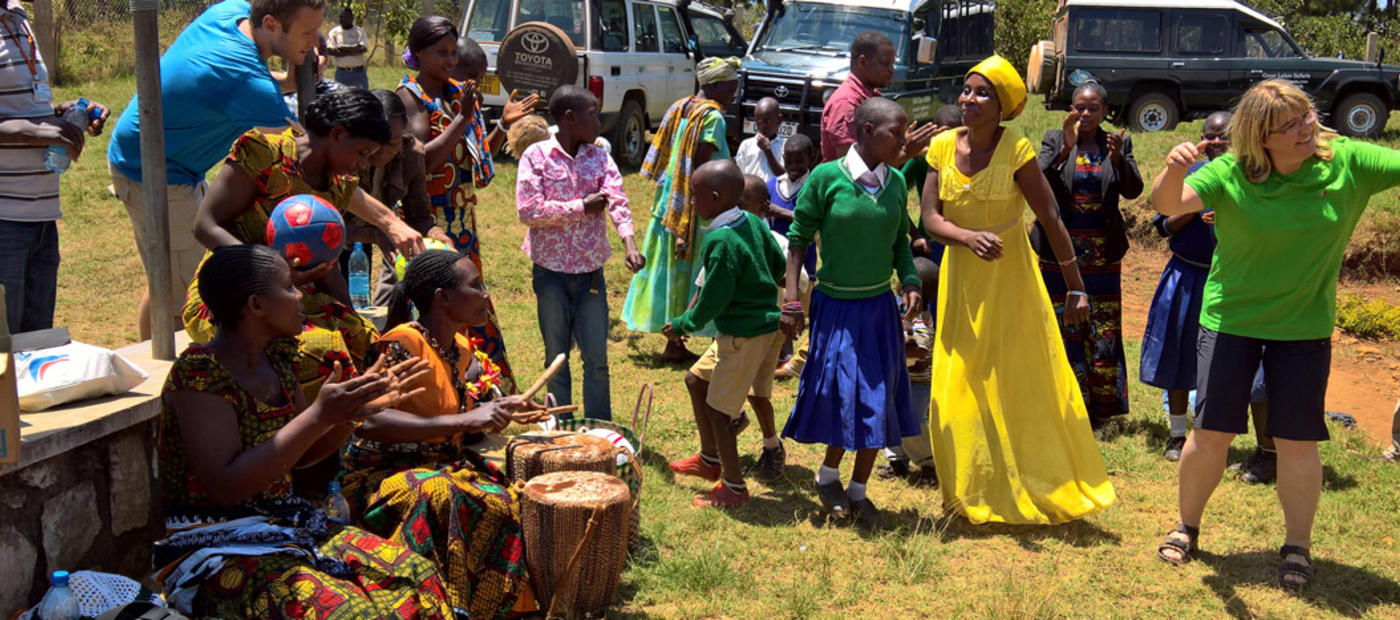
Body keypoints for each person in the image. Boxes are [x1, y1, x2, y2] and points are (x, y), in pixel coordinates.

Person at [1150, 79, 1400, 589]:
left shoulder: (1347, 161)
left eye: (1306, 115)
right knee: (1212, 433)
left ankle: (1297, 549)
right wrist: (1174, 168)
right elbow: (1170, 203)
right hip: (1231, 321)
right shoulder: (1233, 171)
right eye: (1290, 125)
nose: (1306, 127)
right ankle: (1187, 527)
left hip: (1302, 328)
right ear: (1262, 137)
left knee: (1296, 440)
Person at [153, 244, 453, 618]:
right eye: (289, 287)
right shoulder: (199, 375)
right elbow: (226, 486)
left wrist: (347, 416)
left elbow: (300, 456)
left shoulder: (278, 357)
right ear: (256, 305)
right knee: (349, 612)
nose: (300, 296)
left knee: (416, 576)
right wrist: (318, 416)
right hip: (215, 543)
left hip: (283, 523)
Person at [108, 0, 420, 341]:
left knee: (168, 274)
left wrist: (291, 74)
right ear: (271, 23)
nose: (318, 41)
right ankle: (178, 378)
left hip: (175, 158)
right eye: (306, 32)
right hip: (153, 167)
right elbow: (307, 156)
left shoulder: (234, 11)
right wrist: (389, 222)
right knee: (177, 292)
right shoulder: (257, 110)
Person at [920, 56, 1115, 525]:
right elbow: (931, 218)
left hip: (1011, 280)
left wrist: (1076, 290)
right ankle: (967, 487)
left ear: (1004, 105)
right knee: (959, 382)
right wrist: (967, 238)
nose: (969, 99)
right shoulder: (942, 147)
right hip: (962, 280)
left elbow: (1050, 218)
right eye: (966, 90)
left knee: (1016, 379)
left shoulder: (1018, 148)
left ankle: (1033, 476)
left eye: (982, 93)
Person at [341, 249, 543, 619]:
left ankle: (493, 608)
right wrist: (465, 422)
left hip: (438, 465)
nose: (486, 296)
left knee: (503, 498)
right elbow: (369, 421)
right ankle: (425, 607)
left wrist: (503, 409)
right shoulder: (402, 343)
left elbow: (456, 415)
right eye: (476, 286)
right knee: (437, 493)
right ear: (443, 297)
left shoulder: (461, 350)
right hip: (379, 474)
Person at [780, 97, 924, 531]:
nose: (903, 141)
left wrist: (911, 281)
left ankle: (858, 490)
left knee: (878, 398)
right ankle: (827, 475)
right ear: (866, 132)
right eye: (895, 133)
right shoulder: (826, 178)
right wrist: (791, 299)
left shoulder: (897, 182)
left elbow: (900, 240)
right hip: (837, 308)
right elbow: (798, 242)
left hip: (880, 308)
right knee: (845, 396)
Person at [184, 88, 397, 370]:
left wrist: (352, 318)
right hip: (233, 297)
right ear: (337, 134)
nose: (362, 165)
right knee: (315, 350)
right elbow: (205, 225)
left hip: (293, 298)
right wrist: (273, 272)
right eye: (361, 153)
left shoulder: (338, 186)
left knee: (370, 345)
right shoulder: (264, 155)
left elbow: (326, 264)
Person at [398, 18, 537, 393]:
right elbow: (421, 161)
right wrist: (462, 117)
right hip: (428, 222)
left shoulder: (459, 91)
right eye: (439, 52)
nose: (448, 59)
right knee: (440, 309)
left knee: (473, 304)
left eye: (452, 51)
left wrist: (502, 127)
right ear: (419, 53)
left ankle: (485, 389)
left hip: (462, 221)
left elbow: (472, 160)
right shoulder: (409, 96)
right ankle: (442, 391)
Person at [1139, 111, 1273, 470]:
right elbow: (1164, 226)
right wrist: (1194, 212)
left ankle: (1261, 449)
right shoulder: (1191, 176)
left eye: (1224, 135)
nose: (1216, 142)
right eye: (1210, 135)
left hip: (1237, 281)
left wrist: (1229, 215)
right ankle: (1178, 434)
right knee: (1181, 354)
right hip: (1187, 274)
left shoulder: (1255, 176)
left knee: (1249, 364)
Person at [515, 85, 644, 420]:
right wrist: (581, 207)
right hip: (550, 274)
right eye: (593, 114)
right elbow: (528, 211)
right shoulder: (536, 157)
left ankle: (599, 429)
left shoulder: (599, 155)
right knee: (556, 356)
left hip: (589, 275)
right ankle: (561, 427)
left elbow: (617, 200)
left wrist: (629, 242)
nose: (598, 121)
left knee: (596, 358)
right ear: (570, 118)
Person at [666, 161, 787, 507]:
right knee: (696, 381)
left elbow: (713, 300)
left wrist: (682, 324)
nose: (692, 203)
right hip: (757, 328)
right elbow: (777, 266)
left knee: (721, 413)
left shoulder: (720, 240)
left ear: (716, 198)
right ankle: (709, 460)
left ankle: (734, 488)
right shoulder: (751, 220)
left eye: (695, 197)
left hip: (742, 335)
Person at [1036, 80, 1142, 430]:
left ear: (1104, 111)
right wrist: (1065, 150)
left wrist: (1117, 159)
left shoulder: (1116, 142)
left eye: (1093, 108)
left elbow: (1133, 190)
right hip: (1058, 253)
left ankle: (1101, 409)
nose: (1085, 114)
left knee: (1103, 329)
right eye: (1079, 107)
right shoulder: (1054, 138)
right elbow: (1035, 180)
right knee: (1063, 327)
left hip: (1103, 257)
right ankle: (1066, 403)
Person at [622, 57, 741, 363]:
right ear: (714, 85)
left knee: (672, 272)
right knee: (697, 273)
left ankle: (674, 343)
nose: (735, 91)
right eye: (731, 85)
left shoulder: (679, 107)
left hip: (669, 203)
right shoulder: (713, 118)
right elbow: (702, 166)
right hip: (695, 207)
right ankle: (685, 342)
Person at [0, 0, 108, 333]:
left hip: (41, 215)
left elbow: (23, 100)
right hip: (4, 217)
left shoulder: (17, 14)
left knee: (36, 344)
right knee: (4, 351)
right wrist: (33, 131)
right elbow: (24, 125)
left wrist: (62, 113)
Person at [353, 90, 454, 306]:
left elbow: (419, 216)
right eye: (376, 142)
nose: (381, 152)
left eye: (392, 143)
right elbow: (332, 222)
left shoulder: (411, 154)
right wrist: (377, 234)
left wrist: (438, 237)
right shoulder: (348, 154)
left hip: (387, 234)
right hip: (341, 243)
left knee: (392, 303)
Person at [818, 31, 934, 164]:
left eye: (892, 64)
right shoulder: (846, 103)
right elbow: (850, 167)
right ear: (862, 62)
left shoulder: (872, 96)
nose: (892, 70)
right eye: (885, 63)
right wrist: (906, 151)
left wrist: (899, 144)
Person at [877, 257, 940, 486]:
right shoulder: (900, 315)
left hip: (916, 384)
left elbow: (919, 354)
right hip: (897, 380)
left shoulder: (921, 322)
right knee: (890, 418)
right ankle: (897, 460)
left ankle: (928, 464)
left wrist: (902, 336)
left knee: (913, 423)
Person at [734, 96, 785, 182]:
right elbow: (739, 174)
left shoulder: (785, 146)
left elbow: (784, 176)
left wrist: (768, 151)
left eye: (767, 121)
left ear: (779, 120)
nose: (763, 126)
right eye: (759, 122)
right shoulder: (746, 145)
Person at [327, 6, 369, 89]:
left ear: (352, 18)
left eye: (346, 17)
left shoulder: (359, 32)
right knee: (342, 99)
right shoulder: (334, 32)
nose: (343, 20)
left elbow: (362, 49)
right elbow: (331, 50)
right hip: (341, 73)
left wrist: (342, 48)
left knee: (362, 98)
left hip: (358, 72)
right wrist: (353, 50)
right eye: (341, 17)